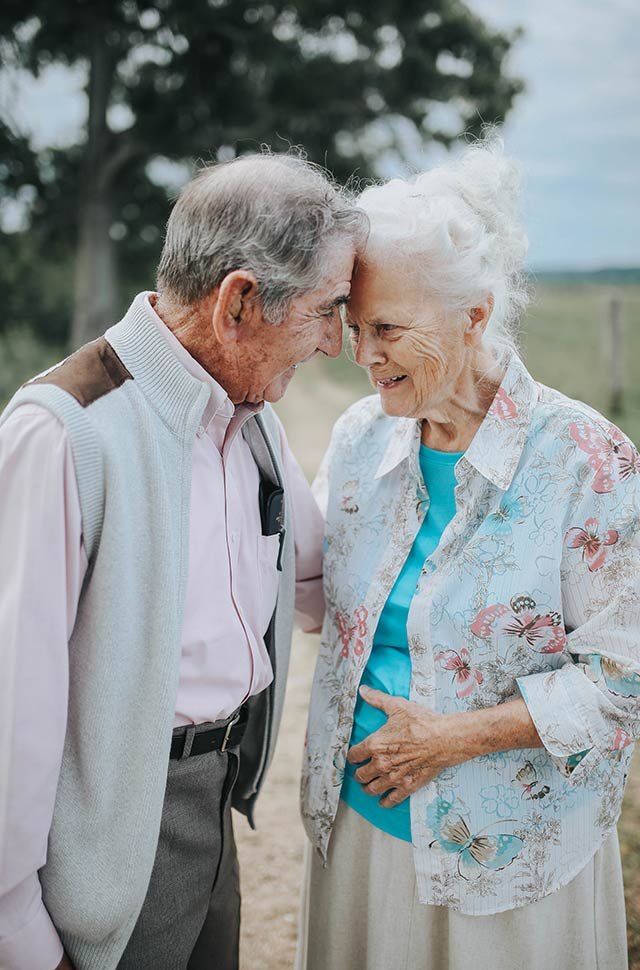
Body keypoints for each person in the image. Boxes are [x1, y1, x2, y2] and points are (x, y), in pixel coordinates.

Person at [0, 153, 365, 970]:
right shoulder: (66, 433)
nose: (335, 343)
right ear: (239, 301)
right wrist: (17, 937)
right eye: (324, 310)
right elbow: (10, 710)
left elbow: (321, 585)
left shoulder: (254, 415)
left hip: (213, 810)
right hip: (109, 840)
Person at [298, 136, 639, 970]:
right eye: (352, 325)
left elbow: (624, 679)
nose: (362, 353)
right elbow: (307, 593)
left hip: (509, 854)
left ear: (474, 315)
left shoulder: (588, 460)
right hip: (357, 830)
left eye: (388, 329)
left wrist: (456, 738)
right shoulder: (357, 437)